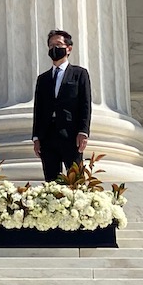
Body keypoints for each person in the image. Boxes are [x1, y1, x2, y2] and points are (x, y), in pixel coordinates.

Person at [31, 28, 91, 182]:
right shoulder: (43, 79)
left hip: (71, 135)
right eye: (51, 46)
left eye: (58, 44)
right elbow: (38, 109)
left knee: (76, 179)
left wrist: (83, 132)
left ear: (68, 49)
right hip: (48, 135)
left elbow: (85, 104)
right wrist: (36, 137)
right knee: (51, 182)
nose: (54, 49)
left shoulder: (79, 74)